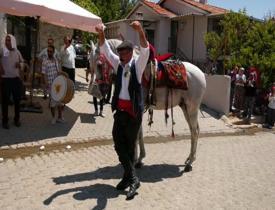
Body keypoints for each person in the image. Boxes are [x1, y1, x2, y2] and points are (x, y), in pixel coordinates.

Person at [96, 21, 149, 200]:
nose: (119, 56)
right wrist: (101, 32)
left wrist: (140, 30)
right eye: (119, 53)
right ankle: (133, 178)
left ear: (130, 53)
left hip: (134, 114)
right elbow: (104, 49)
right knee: (119, 145)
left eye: (123, 53)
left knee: (129, 146)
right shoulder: (118, 65)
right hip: (120, 112)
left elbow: (145, 48)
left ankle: (128, 179)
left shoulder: (138, 65)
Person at [0, 34, 24, 129]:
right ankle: (5, 121)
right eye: (6, 40)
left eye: (9, 40)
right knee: (5, 101)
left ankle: (16, 119)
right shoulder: (2, 50)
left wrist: (20, 64)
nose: (7, 42)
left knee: (17, 100)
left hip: (16, 80)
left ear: (13, 41)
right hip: (5, 79)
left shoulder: (17, 52)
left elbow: (23, 63)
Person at [41, 45, 64, 124]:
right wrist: (46, 83)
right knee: (52, 103)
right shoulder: (45, 61)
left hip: (57, 84)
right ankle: (54, 117)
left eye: (50, 51)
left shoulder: (55, 60)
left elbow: (58, 71)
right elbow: (44, 74)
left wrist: (63, 75)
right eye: (48, 51)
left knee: (60, 102)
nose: (49, 53)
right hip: (50, 85)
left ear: (54, 52)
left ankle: (60, 117)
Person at [86, 52, 112, 117]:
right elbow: (91, 69)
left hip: (103, 82)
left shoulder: (105, 59)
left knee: (101, 97)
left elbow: (108, 69)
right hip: (96, 81)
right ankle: (96, 111)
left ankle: (101, 111)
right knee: (95, 95)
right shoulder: (96, 60)